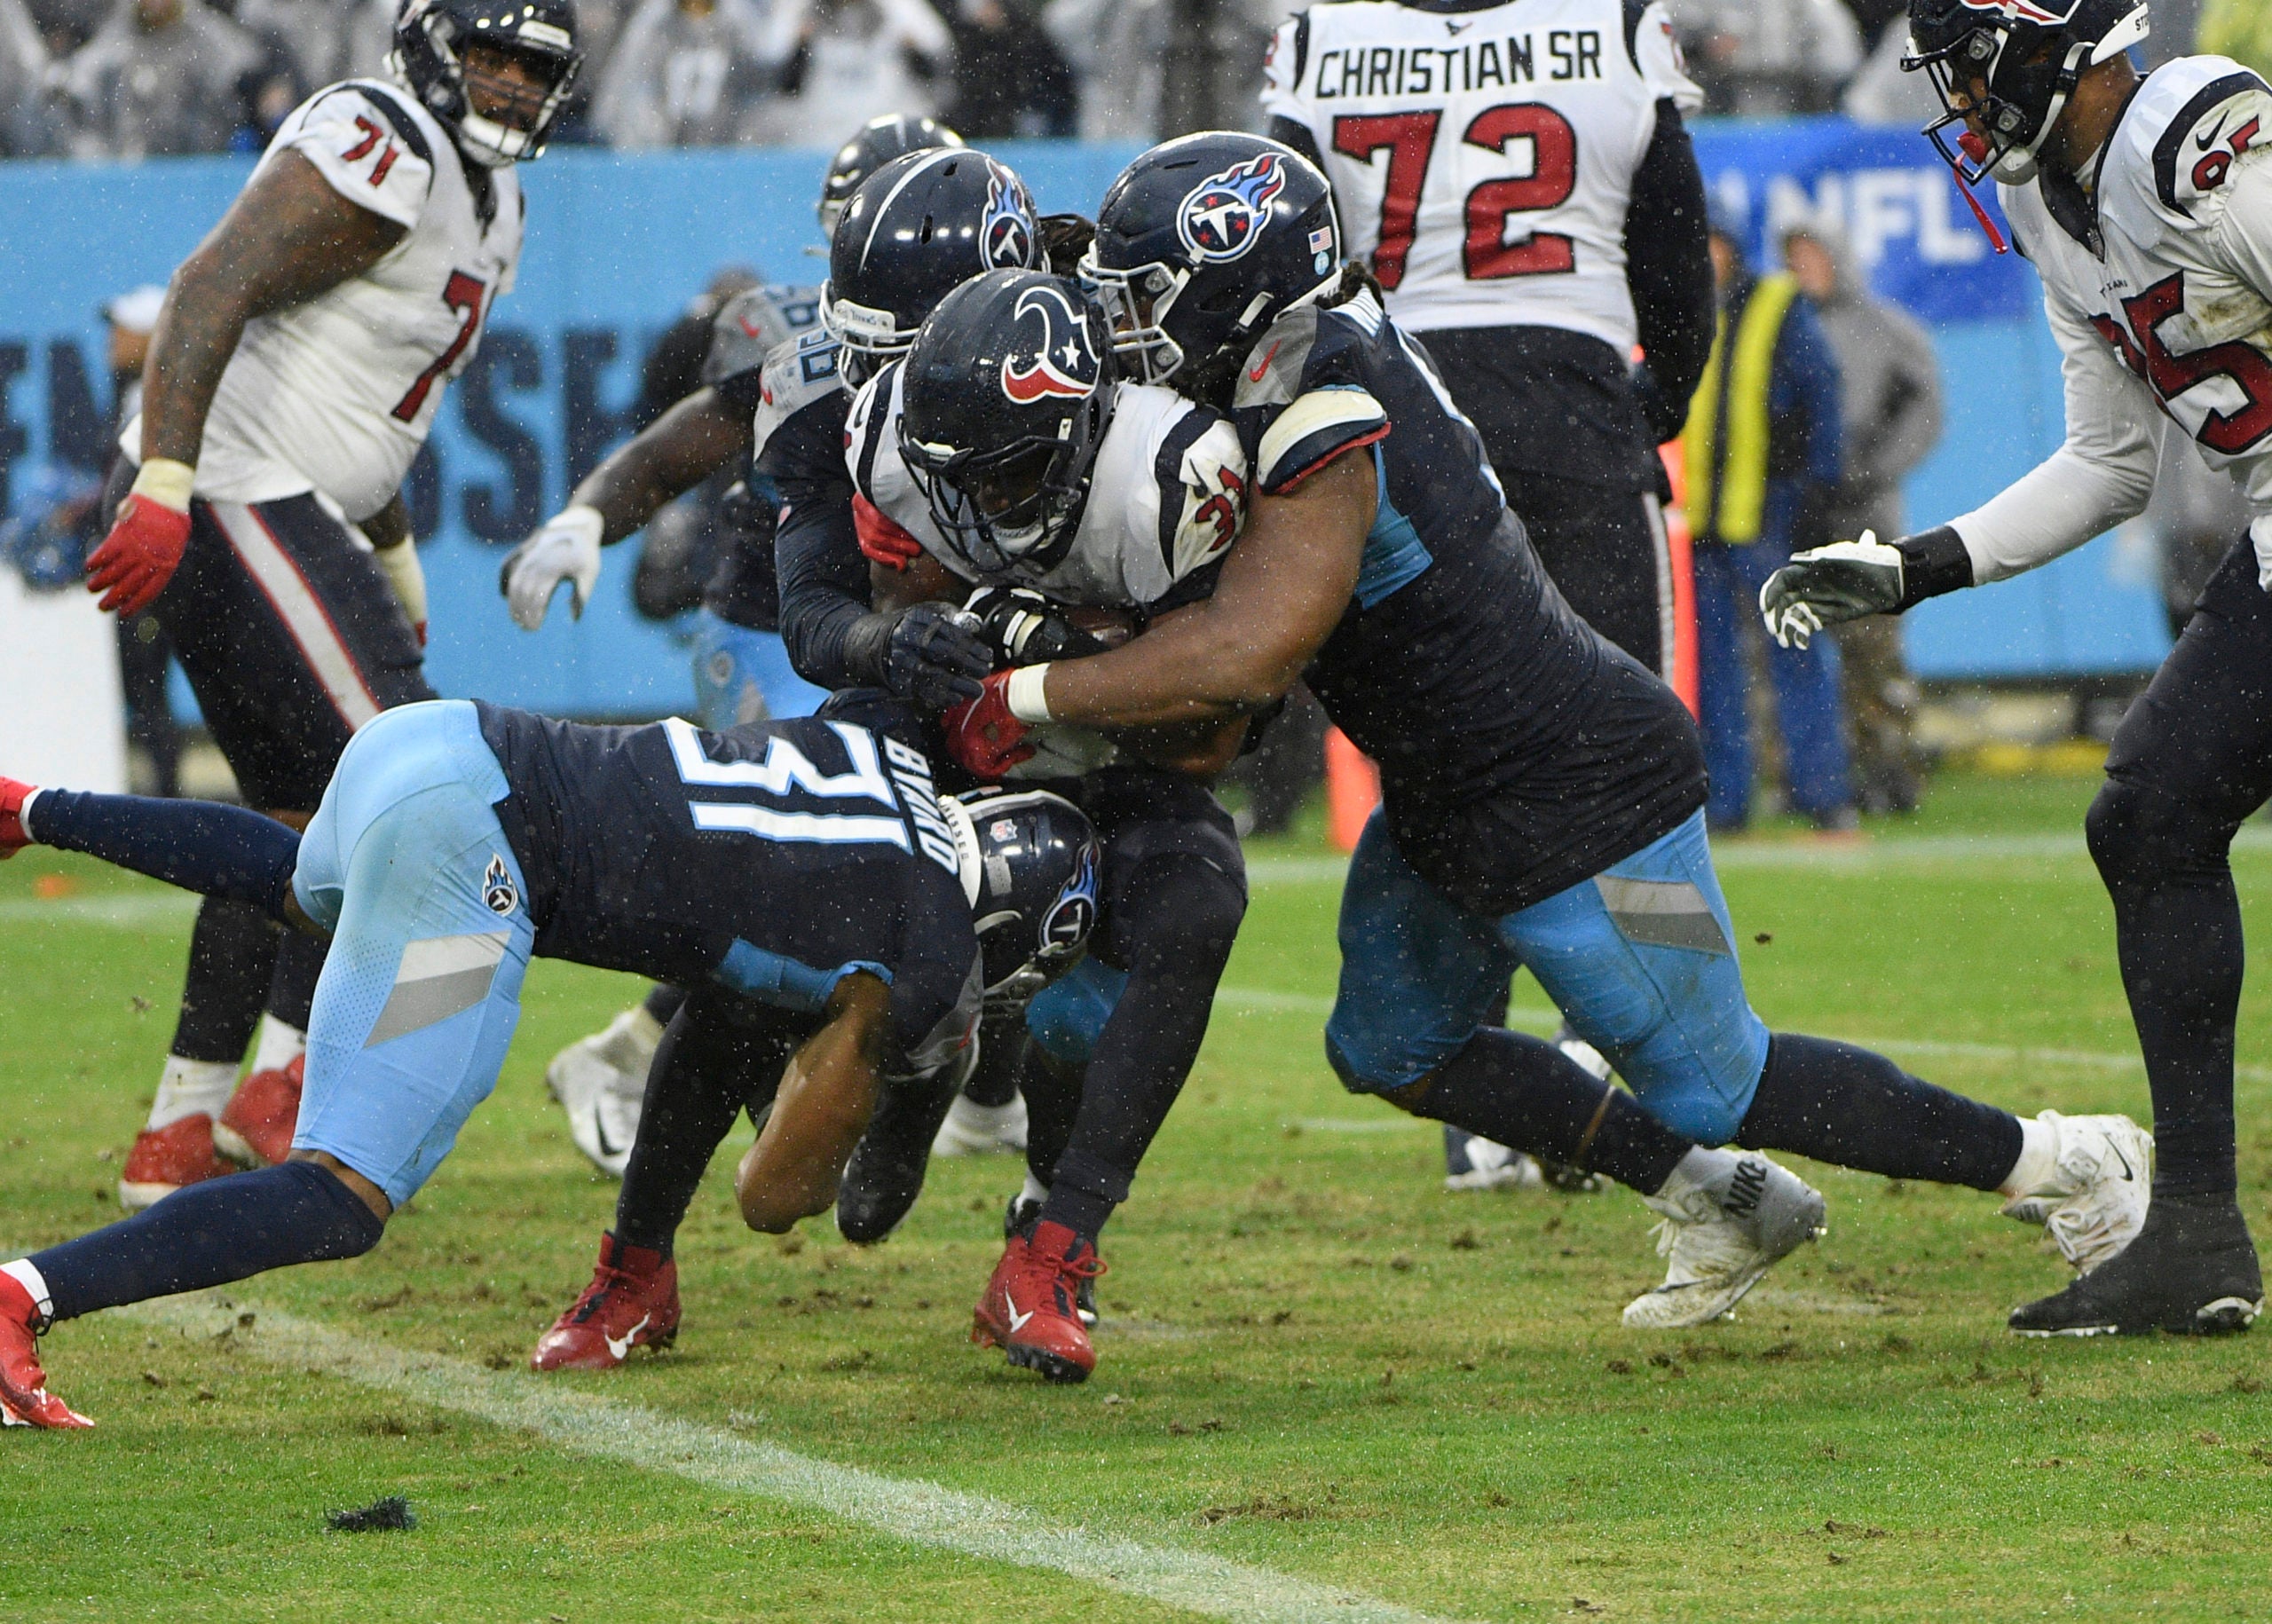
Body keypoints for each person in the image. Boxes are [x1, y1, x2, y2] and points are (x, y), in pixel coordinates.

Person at [962, 131, 2153, 1333]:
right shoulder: (1303, 335)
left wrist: (1021, 694)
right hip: (1451, 787)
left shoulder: (1324, 402)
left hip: (1581, 788)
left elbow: (1247, 652)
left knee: (1719, 1075)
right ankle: (1720, 1199)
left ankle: (2059, 1158)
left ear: (1232, 283)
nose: (1126, 329)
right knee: (1390, 1043)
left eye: (1144, 298)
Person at [0, 703, 1095, 1427]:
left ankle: (31, 811)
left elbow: (766, 880)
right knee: (340, 1195)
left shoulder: (886, 749)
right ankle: (24, 1297)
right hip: (469, 855)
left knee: (302, 884)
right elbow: (775, 1197)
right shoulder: (922, 954)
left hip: (434, 743)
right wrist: (877, 1059)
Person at [1762, 0, 2272, 1336]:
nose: (1961, 97)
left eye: (1972, 61)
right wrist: (1910, 566)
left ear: (2066, 41)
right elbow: (2111, 463)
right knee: (2152, 814)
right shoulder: (2058, 202)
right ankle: (2202, 1231)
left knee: (2156, 807)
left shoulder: (2194, 142)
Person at [93, 0, 583, 1211]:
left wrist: (394, 547)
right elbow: (211, 287)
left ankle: (180, 1128)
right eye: (493, 57)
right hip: (228, 480)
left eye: (536, 69)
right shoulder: (387, 135)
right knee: (425, 787)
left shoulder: (498, 202)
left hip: (286, 495)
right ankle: (299, 1076)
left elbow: (376, 404)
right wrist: (163, 480)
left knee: (297, 812)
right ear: (429, 46)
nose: (514, 87)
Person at [505, 119, 960, 1179]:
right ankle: (634, 1059)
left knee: (917, 865)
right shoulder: (789, 337)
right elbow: (672, 455)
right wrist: (584, 518)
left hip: (897, 646)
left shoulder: (997, 335)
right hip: (774, 634)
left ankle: (946, 1083)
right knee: (800, 869)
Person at [840, 267, 1256, 1384]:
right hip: (957, 734)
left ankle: (1057, 1242)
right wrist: (922, 639)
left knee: (1197, 903)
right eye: (955, 479)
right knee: (811, 835)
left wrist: (1064, 662)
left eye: (1009, 470)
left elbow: (1219, 731)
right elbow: (878, 610)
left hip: (1120, 752)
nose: (980, 502)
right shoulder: (890, 434)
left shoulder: (1172, 476)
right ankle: (904, 1087)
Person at [1259, 0, 1714, 686]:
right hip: (1569, 402)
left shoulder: (1320, 39)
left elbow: (1284, 258)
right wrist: (1661, 398)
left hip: (1399, 407)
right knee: (1622, 727)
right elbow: (1674, 257)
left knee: (1442, 739)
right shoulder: (1613, 25)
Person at [1687, 215, 1858, 832]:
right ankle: (1724, 803)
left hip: (1769, 510)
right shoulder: (1676, 307)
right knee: (1712, 667)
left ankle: (1824, 793)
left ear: (1732, 250)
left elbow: (1820, 392)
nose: (1705, 259)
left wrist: (1821, 485)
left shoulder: (1776, 304)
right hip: (1700, 518)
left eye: (1713, 245)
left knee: (1795, 650)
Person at [1782, 219, 1943, 815]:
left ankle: (1890, 774)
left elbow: (1925, 409)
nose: (1805, 271)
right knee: (1791, 641)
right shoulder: (1786, 329)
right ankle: (1812, 776)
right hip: (1800, 511)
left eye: (1813, 257)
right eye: (1794, 260)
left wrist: (1875, 466)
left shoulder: (1884, 330)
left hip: (1866, 512)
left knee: (1873, 647)